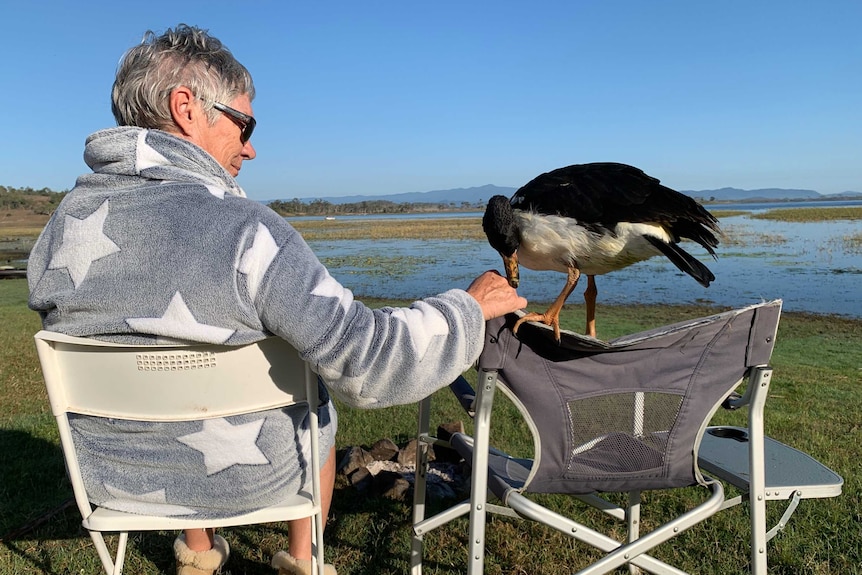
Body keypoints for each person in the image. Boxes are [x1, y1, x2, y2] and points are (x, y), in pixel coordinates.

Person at [27, 24, 526, 575]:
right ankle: (303, 558)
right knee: (318, 402)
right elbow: (368, 360)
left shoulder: (60, 230)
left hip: (116, 479)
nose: (250, 146)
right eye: (244, 124)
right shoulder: (247, 232)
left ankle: (197, 554)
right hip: (254, 474)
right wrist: (466, 307)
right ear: (187, 108)